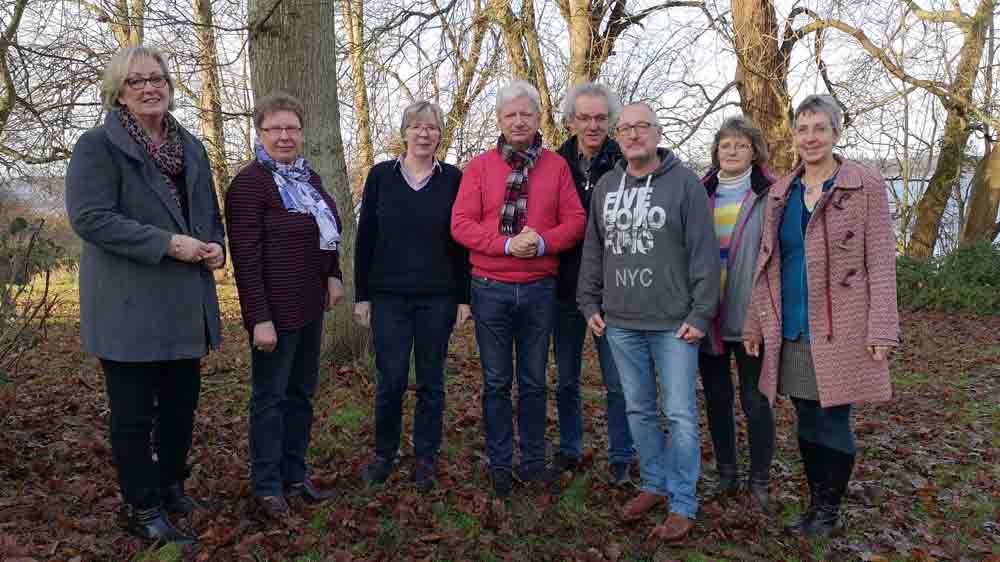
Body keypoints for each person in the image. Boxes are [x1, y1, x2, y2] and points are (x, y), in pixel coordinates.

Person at [65, 46, 225, 545]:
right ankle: (142, 506)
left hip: (184, 305)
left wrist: (215, 244)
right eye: (136, 81)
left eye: (158, 79)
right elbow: (90, 217)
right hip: (127, 307)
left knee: (180, 408)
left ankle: (171, 486)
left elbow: (207, 215)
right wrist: (167, 244)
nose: (150, 88)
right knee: (134, 415)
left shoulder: (190, 146)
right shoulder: (97, 146)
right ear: (119, 92)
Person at [743, 94, 899, 537]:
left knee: (833, 417)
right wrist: (755, 323)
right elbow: (766, 265)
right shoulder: (781, 193)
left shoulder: (863, 185)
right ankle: (816, 504)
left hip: (843, 326)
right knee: (806, 416)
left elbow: (881, 260)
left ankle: (828, 512)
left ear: (836, 133)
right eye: (803, 129)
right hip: (791, 326)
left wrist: (882, 326)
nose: (811, 138)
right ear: (794, 135)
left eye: (820, 129)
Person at [577, 102, 719, 542]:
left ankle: (682, 502)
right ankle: (654, 484)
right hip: (620, 322)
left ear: (658, 133)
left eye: (642, 127)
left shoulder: (685, 184)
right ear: (617, 136)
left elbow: (704, 253)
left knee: (679, 414)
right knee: (638, 408)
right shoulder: (606, 186)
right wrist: (588, 301)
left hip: (675, 324)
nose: (633, 134)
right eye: (626, 128)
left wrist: (701, 312)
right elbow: (594, 249)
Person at [451, 80, 586, 498]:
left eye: (526, 114)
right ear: (499, 120)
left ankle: (532, 462)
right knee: (495, 381)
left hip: (538, 288)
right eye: (510, 114)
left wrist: (542, 243)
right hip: (489, 286)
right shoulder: (479, 168)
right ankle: (499, 463)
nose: (519, 121)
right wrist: (506, 245)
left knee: (532, 380)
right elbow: (461, 224)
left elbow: (576, 221)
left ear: (539, 118)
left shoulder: (556, 167)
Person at [226, 92, 344, 519]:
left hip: (310, 306)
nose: (284, 136)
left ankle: (295, 475)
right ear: (259, 133)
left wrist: (334, 274)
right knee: (270, 399)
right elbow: (246, 259)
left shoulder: (308, 179)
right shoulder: (249, 184)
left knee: (301, 395)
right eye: (274, 128)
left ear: (302, 132)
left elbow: (325, 233)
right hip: (273, 313)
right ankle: (266, 485)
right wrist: (259, 319)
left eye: (291, 127)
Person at [353, 101, 470, 492]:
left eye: (432, 127)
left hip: (438, 297)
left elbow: (462, 243)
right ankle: (385, 454)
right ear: (404, 132)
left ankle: (426, 456)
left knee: (432, 382)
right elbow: (365, 238)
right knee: (391, 381)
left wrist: (464, 297)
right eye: (417, 126)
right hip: (388, 298)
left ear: (440, 134)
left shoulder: (453, 179)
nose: (424, 133)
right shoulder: (380, 176)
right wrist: (362, 296)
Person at [551, 83, 634, 483]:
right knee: (567, 378)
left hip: (613, 291)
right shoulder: (553, 165)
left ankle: (621, 455)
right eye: (584, 117)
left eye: (601, 118)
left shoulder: (626, 163)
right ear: (571, 121)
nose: (593, 125)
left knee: (618, 382)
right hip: (563, 287)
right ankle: (570, 448)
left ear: (611, 122)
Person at [698, 117, 776, 510]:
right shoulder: (700, 191)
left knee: (755, 400)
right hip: (708, 314)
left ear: (754, 151)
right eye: (725, 145)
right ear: (716, 151)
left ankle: (759, 479)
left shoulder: (770, 193)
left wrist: (763, 315)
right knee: (716, 397)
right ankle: (726, 473)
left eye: (740, 145)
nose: (731, 151)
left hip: (751, 315)